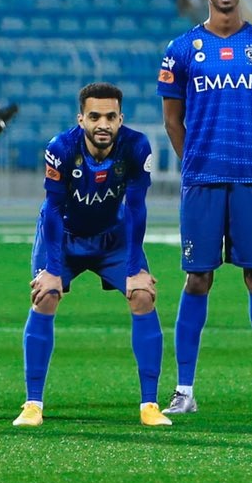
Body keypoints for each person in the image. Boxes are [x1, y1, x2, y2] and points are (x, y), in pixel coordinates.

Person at [158, 0, 252, 416]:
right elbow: (172, 119)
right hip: (202, 179)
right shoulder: (181, 49)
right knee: (198, 279)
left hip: (251, 177)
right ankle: (184, 389)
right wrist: (193, 159)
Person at [15, 83, 167, 428]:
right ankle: (33, 404)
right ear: (81, 118)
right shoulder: (61, 148)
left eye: (110, 117)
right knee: (46, 296)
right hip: (63, 238)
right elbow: (52, 211)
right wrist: (52, 269)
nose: (103, 124)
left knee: (143, 295)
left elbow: (137, 209)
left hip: (112, 239)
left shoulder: (136, 146)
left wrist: (134, 268)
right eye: (95, 116)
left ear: (120, 118)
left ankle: (150, 405)